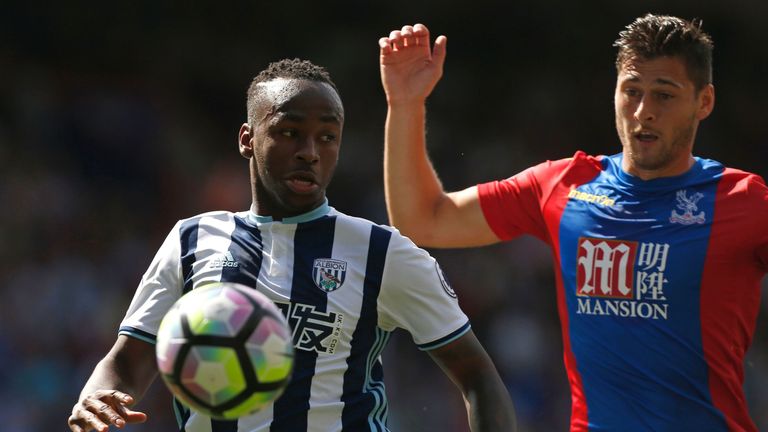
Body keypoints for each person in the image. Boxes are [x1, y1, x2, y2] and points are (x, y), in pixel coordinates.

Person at [68, 59, 516, 432]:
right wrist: (95, 401)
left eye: (327, 137)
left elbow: (476, 374)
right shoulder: (193, 239)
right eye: (289, 132)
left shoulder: (383, 252)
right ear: (248, 139)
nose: (310, 151)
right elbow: (129, 362)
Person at [379, 15, 768, 432]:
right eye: (631, 91)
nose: (643, 112)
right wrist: (405, 105)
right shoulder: (563, 186)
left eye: (664, 95)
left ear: (703, 102)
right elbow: (424, 220)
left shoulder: (745, 201)